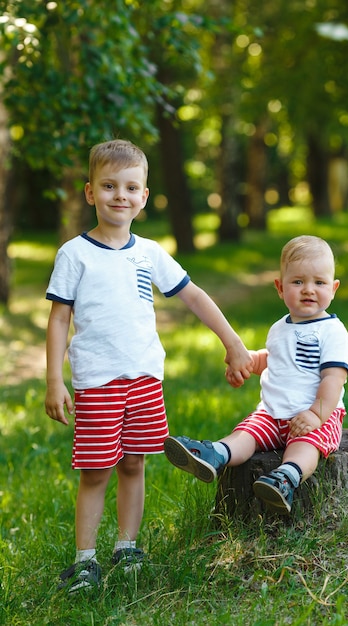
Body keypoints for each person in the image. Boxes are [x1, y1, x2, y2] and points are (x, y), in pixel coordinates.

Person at [45, 139, 253, 593]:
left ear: (143, 197)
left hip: (144, 378)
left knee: (135, 463)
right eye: (108, 186)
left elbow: (193, 295)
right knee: (96, 470)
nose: (119, 195)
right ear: (89, 193)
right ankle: (85, 561)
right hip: (97, 381)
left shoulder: (149, 253)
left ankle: (128, 547)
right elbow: (60, 317)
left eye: (130, 187)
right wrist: (54, 379)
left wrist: (232, 341)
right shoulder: (74, 254)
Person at [164, 235, 348, 515]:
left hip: (315, 416)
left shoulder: (332, 331)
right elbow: (274, 359)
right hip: (272, 413)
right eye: (298, 282)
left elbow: (333, 379)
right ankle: (214, 454)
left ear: (334, 288)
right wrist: (250, 362)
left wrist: (315, 414)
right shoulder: (279, 327)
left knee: (306, 447)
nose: (308, 290)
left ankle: (286, 476)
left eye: (319, 282)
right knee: (246, 433)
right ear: (280, 287)